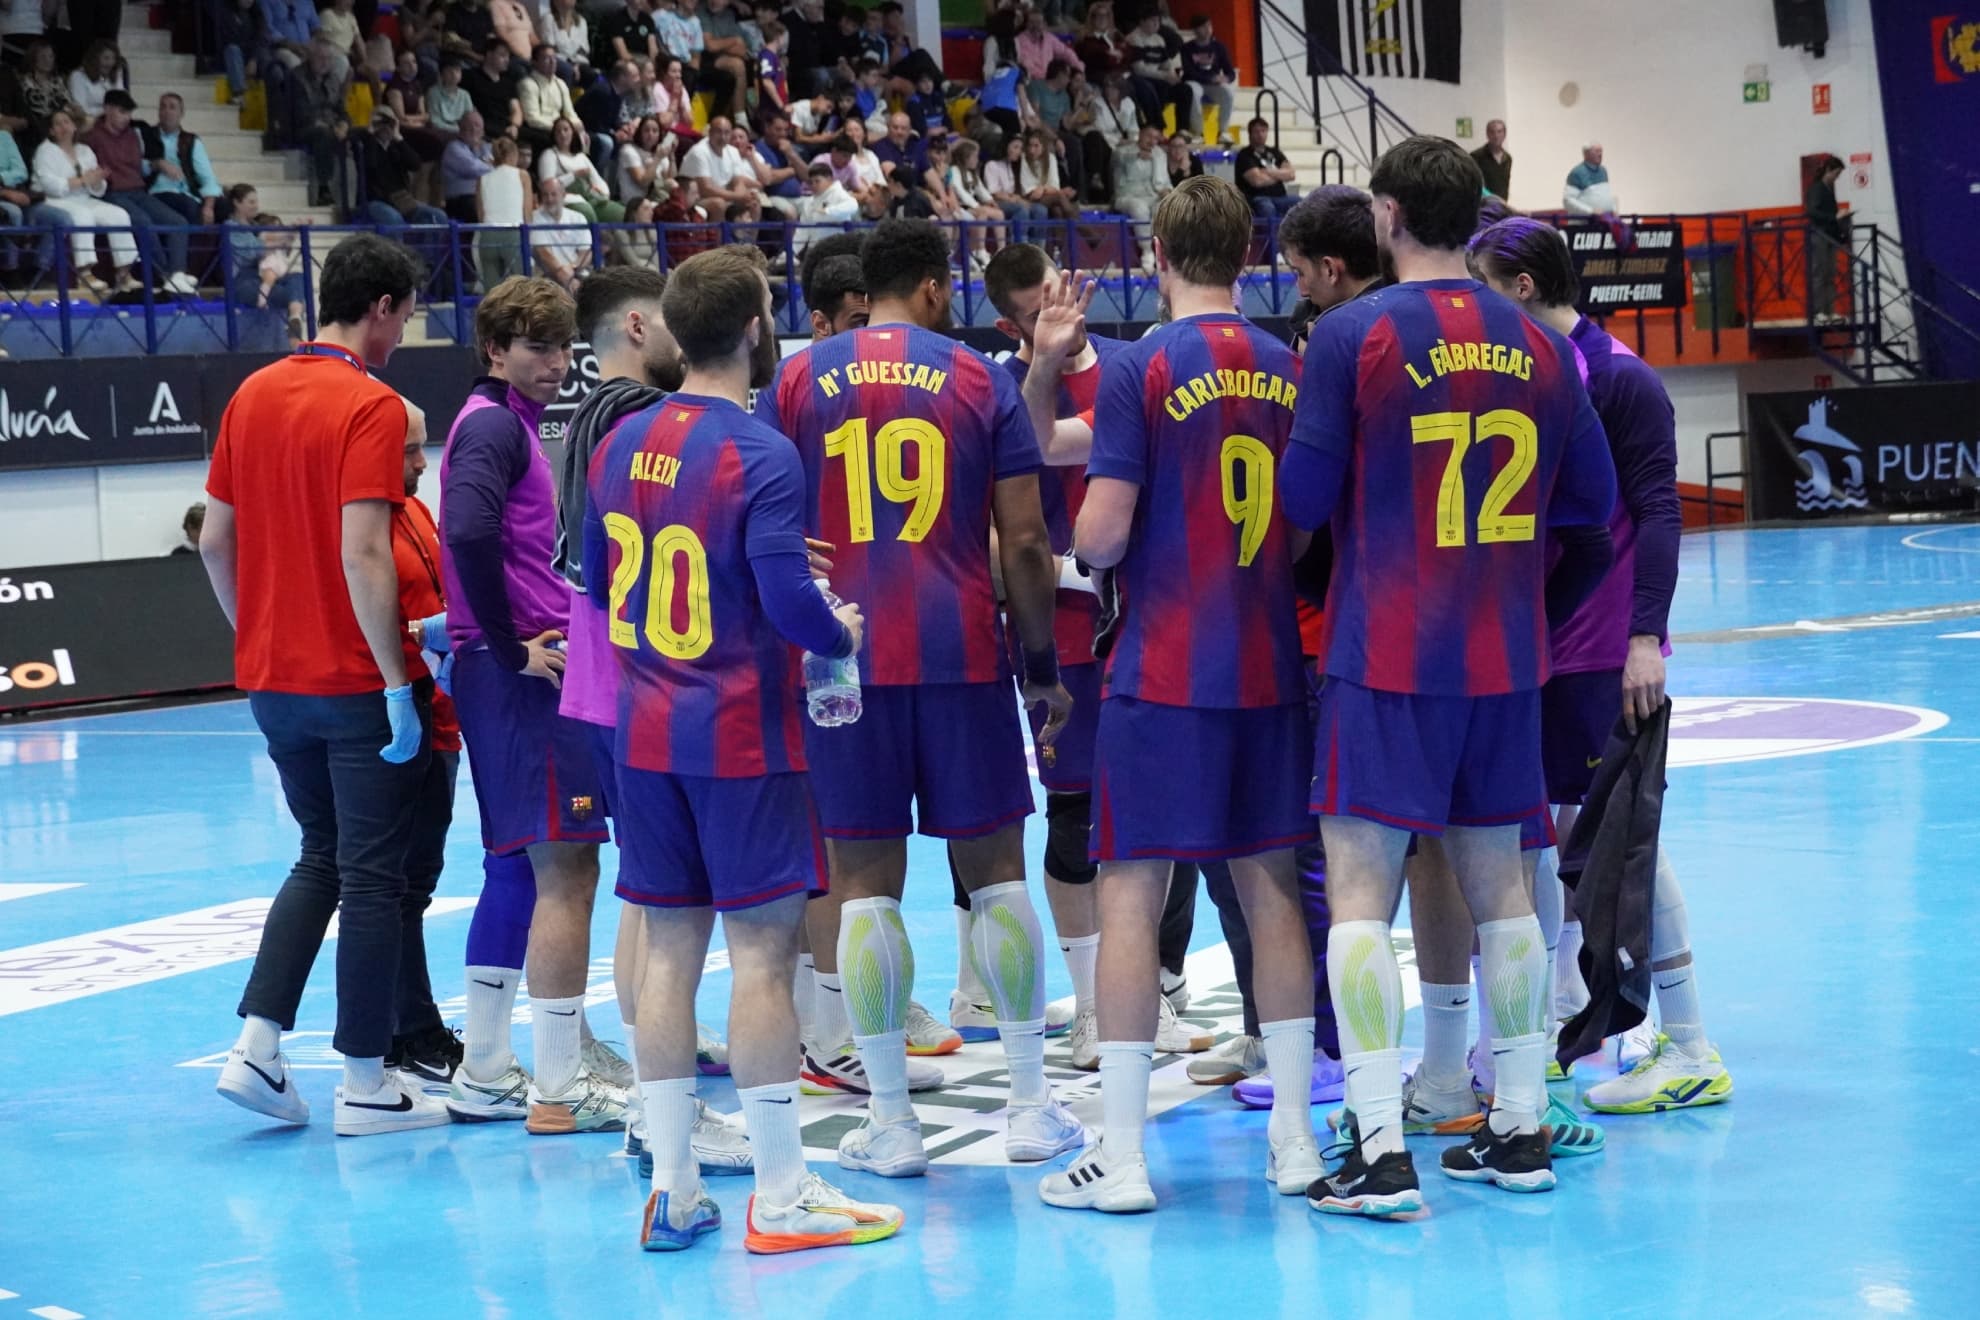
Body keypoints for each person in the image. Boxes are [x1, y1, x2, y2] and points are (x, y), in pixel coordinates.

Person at [1279, 135, 1618, 1216]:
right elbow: (1593, 520)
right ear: (1474, 212)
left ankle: (1380, 1153)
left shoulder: (1352, 334)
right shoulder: (1539, 341)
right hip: (1501, 662)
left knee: (1362, 901)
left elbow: (1298, 504)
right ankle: (1516, 1128)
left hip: (1386, 654)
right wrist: (1528, 617)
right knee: (1505, 897)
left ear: (1384, 215)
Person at [580, 244, 903, 1255]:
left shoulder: (617, 445)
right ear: (760, 329)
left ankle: (674, 1186)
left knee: (668, 955)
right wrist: (841, 630)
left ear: (673, 333)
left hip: (644, 735)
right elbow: (787, 607)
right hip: (738, 735)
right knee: (763, 957)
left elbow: (599, 590)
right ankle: (781, 1192)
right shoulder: (760, 454)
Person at [754, 219, 1084, 1173]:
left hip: (840, 660)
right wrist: (1040, 667)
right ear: (936, 290)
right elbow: (1024, 541)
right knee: (998, 875)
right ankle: (1030, 1105)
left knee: (862, 886)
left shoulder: (799, 378)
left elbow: (772, 526)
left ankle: (890, 1121)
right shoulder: (979, 377)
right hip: (958, 653)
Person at [1028, 177, 1318, 1213]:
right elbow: (1302, 530)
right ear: (1249, 252)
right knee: (1272, 891)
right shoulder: (1292, 364)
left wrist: (1085, 552)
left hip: (1161, 670)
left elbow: (1101, 533)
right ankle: (1295, 1141)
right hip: (1266, 665)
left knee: (1128, 898)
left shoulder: (1145, 366)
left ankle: (1124, 1158)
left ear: (1156, 251)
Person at [1465, 215, 1728, 1117]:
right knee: (1535, 840)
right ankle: (1540, 1030)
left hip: (1599, 651)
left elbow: (1660, 513)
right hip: (1537, 647)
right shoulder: (1529, 375)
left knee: (1622, 843)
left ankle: (1691, 1045)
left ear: (1525, 288)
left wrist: (1644, 637)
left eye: (1484, 288)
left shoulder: (1620, 379)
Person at [202, 233, 450, 1137]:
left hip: (273, 682)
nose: (402, 333)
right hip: (354, 682)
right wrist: (396, 677)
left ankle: (258, 1047)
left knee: (322, 857)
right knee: (375, 879)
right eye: (406, 315)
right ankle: (365, 1084)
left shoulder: (252, 392)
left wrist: (257, 637)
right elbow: (361, 550)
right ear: (381, 307)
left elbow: (213, 541)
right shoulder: (372, 404)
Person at [549, 265, 749, 1176]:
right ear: (639, 324)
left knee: (648, 890)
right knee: (657, 898)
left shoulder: (590, 415)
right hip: (640, 669)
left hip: (609, 666)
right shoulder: (639, 420)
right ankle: (648, 1097)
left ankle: (649, 1086)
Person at [439, 276, 627, 1134]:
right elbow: (470, 534)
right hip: (525, 674)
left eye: (560, 347)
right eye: (535, 348)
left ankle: (485, 1068)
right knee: (568, 867)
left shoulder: (505, 424)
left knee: (517, 865)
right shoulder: (489, 429)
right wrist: (512, 642)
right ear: (494, 351)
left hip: (510, 669)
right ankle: (558, 1083)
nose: (554, 364)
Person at [384, 403, 471, 1086]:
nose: (423, 464)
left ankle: (405, 1021)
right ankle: (406, 1026)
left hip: (440, 709)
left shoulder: (414, 511)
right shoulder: (360, 528)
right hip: (401, 710)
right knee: (399, 884)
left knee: (420, 878)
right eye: (411, 451)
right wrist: (419, 635)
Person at [85, 89, 185, 291]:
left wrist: (157, 165)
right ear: (107, 109)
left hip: (138, 190)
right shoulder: (92, 137)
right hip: (112, 192)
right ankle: (166, 276)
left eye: (129, 113)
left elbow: (138, 167)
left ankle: (178, 273)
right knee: (144, 222)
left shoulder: (132, 135)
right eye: (122, 112)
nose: (126, 118)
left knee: (178, 222)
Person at [31, 106, 137, 296]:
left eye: (67, 122)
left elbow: (97, 189)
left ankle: (124, 273)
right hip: (55, 200)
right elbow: (51, 186)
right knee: (82, 215)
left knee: (118, 215)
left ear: (74, 127)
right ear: (51, 130)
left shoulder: (84, 150)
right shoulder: (45, 151)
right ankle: (84, 273)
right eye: (58, 123)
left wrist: (97, 180)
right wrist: (82, 180)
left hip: (84, 197)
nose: (63, 126)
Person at [144, 94, 223, 289]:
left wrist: (209, 205)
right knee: (187, 208)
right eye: (163, 106)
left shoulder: (190, 141)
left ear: (181, 113)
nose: (167, 111)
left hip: (186, 193)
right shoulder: (147, 135)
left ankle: (210, 274)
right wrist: (157, 164)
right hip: (157, 192)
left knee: (222, 209)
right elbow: (137, 165)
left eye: (172, 107)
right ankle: (180, 272)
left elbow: (207, 176)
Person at [679, 115, 762, 222]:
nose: (723, 137)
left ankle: (749, 238)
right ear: (710, 132)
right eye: (719, 132)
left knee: (754, 201)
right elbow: (706, 189)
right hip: (695, 198)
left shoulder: (733, 151)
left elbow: (738, 181)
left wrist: (742, 196)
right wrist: (737, 197)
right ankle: (719, 239)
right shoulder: (699, 152)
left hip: (724, 195)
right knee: (718, 204)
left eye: (727, 133)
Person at [475, 132, 531, 286]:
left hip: (488, 236)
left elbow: (481, 215)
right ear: (514, 154)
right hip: (513, 234)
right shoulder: (522, 175)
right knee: (519, 288)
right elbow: (527, 214)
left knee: (492, 290)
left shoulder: (482, 179)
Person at [527, 174, 592, 291]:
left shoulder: (578, 218)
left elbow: (586, 252)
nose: (549, 199)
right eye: (545, 195)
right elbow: (544, 253)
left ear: (563, 195)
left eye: (553, 194)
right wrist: (563, 274)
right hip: (548, 275)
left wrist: (572, 270)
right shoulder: (534, 218)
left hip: (576, 273)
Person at [519, 41, 583, 155]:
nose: (553, 62)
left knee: (591, 139)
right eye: (547, 59)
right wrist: (560, 129)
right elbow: (532, 118)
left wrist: (577, 125)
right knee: (556, 138)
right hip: (540, 129)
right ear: (535, 62)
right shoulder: (528, 84)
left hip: (559, 128)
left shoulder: (560, 83)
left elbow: (569, 112)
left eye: (554, 58)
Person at [1804, 153, 1845, 324]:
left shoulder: (1827, 189)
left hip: (1828, 235)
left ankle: (1829, 311)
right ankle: (1818, 311)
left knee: (1829, 274)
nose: (1837, 178)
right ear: (1828, 170)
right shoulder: (1817, 189)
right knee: (1820, 274)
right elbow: (1812, 212)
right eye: (1836, 174)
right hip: (1819, 235)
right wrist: (1834, 217)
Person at [1180, 14, 1235, 142]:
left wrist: (1226, 78)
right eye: (1203, 27)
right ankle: (1198, 132)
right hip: (1194, 81)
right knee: (1194, 91)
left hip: (1213, 84)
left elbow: (1230, 71)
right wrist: (1210, 79)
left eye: (1209, 25)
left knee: (1228, 92)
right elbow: (1189, 72)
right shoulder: (1187, 48)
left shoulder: (1219, 47)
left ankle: (1223, 131)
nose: (1207, 29)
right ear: (1195, 30)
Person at [1236, 116, 1297, 220]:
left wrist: (1267, 171)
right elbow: (1257, 181)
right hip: (1257, 198)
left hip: (1280, 197)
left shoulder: (1275, 152)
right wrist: (1280, 175)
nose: (1260, 135)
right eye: (1256, 131)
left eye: (1263, 131)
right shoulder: (1245, 155)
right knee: (1267, 207)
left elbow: (1291, 175)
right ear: (1250, 134)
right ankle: (1270, 236)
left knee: (1301, 202)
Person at [444, 109, 496, 222]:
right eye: (469, 125)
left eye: (477, 126)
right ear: (461, 128)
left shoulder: (488, 147)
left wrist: (488, 164)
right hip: (461, 200)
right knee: (476, 206)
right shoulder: (453, 148)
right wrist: (490, 165)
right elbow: (473, 168)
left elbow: (499, 166)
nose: (473, 129)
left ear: (483, 131)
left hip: (485, 197)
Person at [1563, 141, 1614, 216]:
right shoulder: (1577, 173)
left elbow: (1605, 196)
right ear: (1586, 154)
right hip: (1586, 223)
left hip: (1605, 221)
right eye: (1596, 151)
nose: (1600, 154)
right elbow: (1568, 201)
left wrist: (1612, 209)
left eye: (1601, 151)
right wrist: (1590, 211)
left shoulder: (1603, 171)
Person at [1471, 119, 1511, 200]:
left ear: (1505, 134)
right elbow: (1475, 185)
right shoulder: (1476, 156)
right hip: (1483, 206)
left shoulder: (1508, 158)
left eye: (1499, 131)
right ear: (1487, 134)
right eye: (1492, 132)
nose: (1496, 136)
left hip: (1502, 206)